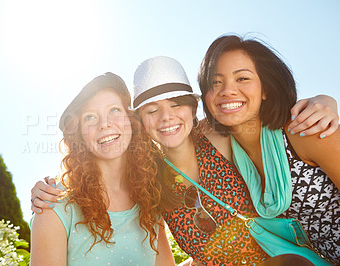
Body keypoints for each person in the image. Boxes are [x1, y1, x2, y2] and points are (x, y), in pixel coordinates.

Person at [31, 57, 339, 265]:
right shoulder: (151, 181)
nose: (167, 118)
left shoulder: (222, 136)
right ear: (140, 121)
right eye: (152, 110)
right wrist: (47, 190)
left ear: (193, 109)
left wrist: (324, 102)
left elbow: (269, 116)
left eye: (177, 104)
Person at [197, 34, 340, 264]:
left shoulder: (304, 130)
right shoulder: (229, 156)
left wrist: (327, 99)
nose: (227, 91)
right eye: (215, 82)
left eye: (242, 78)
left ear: (266, 89)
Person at [30, 72, 175, 266]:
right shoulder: (54, 205)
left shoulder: (148, 201)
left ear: (130, 120)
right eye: (90, 117)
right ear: (79, 133)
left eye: (114, 110)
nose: (105, 124)